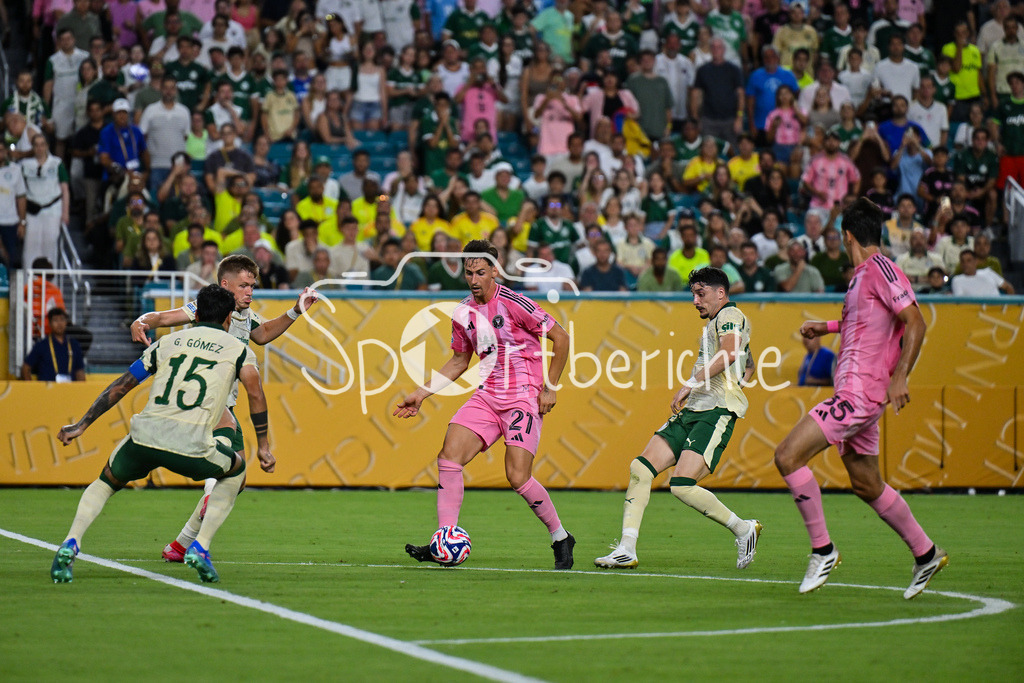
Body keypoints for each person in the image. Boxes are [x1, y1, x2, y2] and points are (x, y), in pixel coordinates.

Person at [773, 197, 947, 599]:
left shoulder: (882, 268)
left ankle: (823, 550)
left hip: (859, 394)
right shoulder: (862, 277)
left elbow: (915, 322)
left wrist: (900, 375)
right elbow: (867, 319)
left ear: (846, 235)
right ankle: (926, 553)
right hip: (856, 394)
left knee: (787, 455)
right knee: (867, 484)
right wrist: (827, 325)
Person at [50, 285, 275, 584]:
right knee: (236, 471)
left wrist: (82, 424)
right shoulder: (239, 350)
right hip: (192, 445)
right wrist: (263, 446)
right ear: (229, 316)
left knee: (105, 482)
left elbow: (123, 385)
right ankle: (201, 547)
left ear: (196, 313)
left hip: (145, 437)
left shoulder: (167, 343)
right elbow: (255, 395)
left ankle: (71, 541)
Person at [396, 239, 576, 569]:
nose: (474, 279)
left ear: (495, 270)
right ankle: (445, 538)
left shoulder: (516, 302)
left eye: (481, 272)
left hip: (522, 395)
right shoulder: (463, 312)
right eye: (469, 273)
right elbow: (459, 360)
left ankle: (561, 536)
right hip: (488, 395)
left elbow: (561, 337)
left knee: (517, 476)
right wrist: (421, 393)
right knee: (449, 457)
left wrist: (549, 388)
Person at [129, 256, 320, 562]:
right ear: (225, 285)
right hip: (202, 403)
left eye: (252, 286)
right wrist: (140, 321)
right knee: (230, 472)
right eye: (244, 286)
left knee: (237, 478)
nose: (250, 292)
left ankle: (180, 545)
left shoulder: (244, 317)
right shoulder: (205, 310)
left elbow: (264, 333)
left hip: (222, 404)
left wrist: (295, 311)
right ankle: (199, 527)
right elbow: (163, 318)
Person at [595, 266, 760, 570]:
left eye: (701, 293)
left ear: (720, 293)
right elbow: (748, 361)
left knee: (682, 484)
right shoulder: (717, 322)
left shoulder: (730, 316)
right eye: (694, 294)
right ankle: (626, 549)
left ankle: (743, 528)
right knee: (641, 469)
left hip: (716, 410)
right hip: (695, 409)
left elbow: (730, 353)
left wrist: (692, 384)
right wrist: (740, 379)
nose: (696, 300)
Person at [21, 134, 70, 268]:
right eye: (36, 145)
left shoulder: (57, 163)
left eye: (42, 144)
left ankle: (51, 285)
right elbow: (20, 191)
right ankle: (28, 285)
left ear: (47, 146)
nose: (39, 148)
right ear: (33, 147)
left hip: (52, 209)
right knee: (30, 247)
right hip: (33, 210)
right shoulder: (25, 165)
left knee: (50, 247)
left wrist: (65, 213)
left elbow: (65, 189)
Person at [689, 37, 744, 148]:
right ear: (710, 50)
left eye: (719, 47)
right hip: (708, 120)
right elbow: (695, 94)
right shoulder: (703, 70)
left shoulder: (734, 69)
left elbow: (741, 94)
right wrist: (695, 118)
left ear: (724, 50)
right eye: (713, 47)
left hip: (730, 119)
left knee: (731, 151)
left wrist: (739, 118)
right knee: (708, 151)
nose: (716, 50)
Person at [21, 308, 86, 382]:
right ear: (50, 323)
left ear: (66, 322)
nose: (59, 323)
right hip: (48, 391)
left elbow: (80, 371)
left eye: (62, 319)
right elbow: (25, 368)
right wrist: (31, 388)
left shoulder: (74, 345)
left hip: (69, 390)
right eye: (55, 320)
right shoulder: (42, 345)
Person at [950, 250, 1015, 297]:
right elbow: (960, 303)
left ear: (975, 262)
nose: (965, 264)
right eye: (962, 261)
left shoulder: (988, 272)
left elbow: (1008, 287)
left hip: (997, 309)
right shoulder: (957, 280)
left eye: (969, 261)